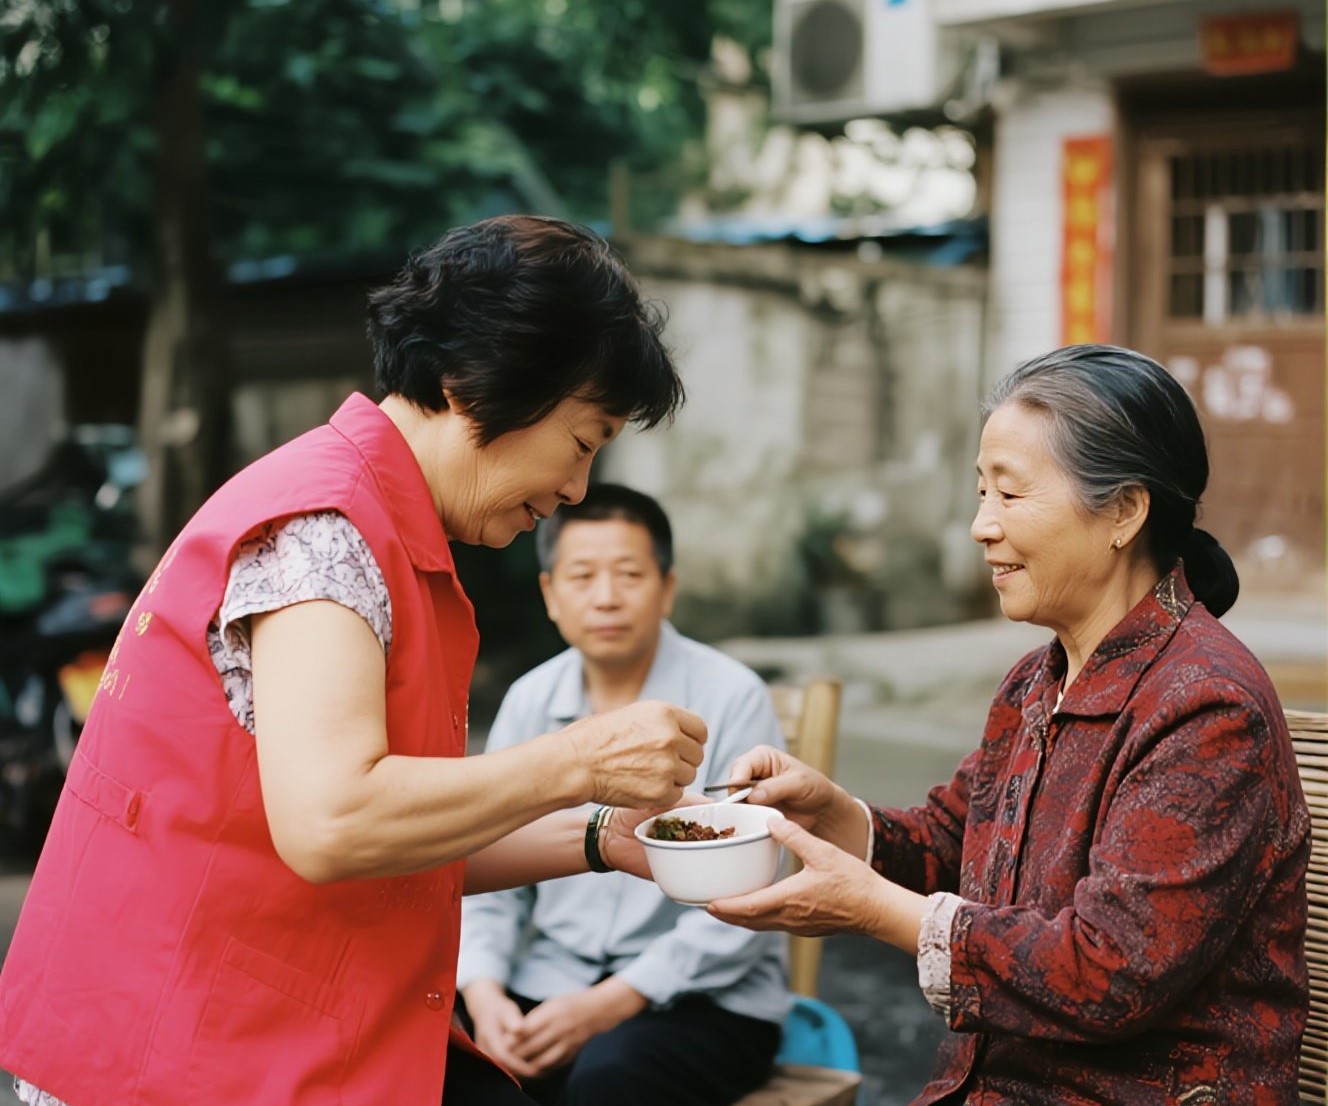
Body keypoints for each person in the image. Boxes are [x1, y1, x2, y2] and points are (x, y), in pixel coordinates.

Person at [0, 215, 712, 1106]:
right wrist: (581, 761)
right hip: (174, 1048)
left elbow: (402, 828)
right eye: (582, 441)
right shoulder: (324, 533)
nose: (575, 489)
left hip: (259, 1024)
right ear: (473, 383)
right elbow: (337, 821)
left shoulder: (379, 523)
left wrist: (604, 838)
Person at [709, 344, 1310, 1104]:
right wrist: (833, 815)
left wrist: (875, 912)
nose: (979, 526)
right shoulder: (1036, 682)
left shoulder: (1207, 706)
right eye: (981, 492)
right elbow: (953, 843)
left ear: (1124, 510)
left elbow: (1112, 970)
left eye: (1011, 496)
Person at [457, 483, 790, 1106]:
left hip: (699, 998)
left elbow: (752, 894)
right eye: (582, 576)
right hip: (546, 979)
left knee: (610, 1081)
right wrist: (484, 991)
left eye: (630, 574)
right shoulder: (531, 699)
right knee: (446, 1055)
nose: (606, 597)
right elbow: (485, 865)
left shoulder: (731, 695)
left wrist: (606, 1006)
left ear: (667, 588)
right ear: (550, 595)